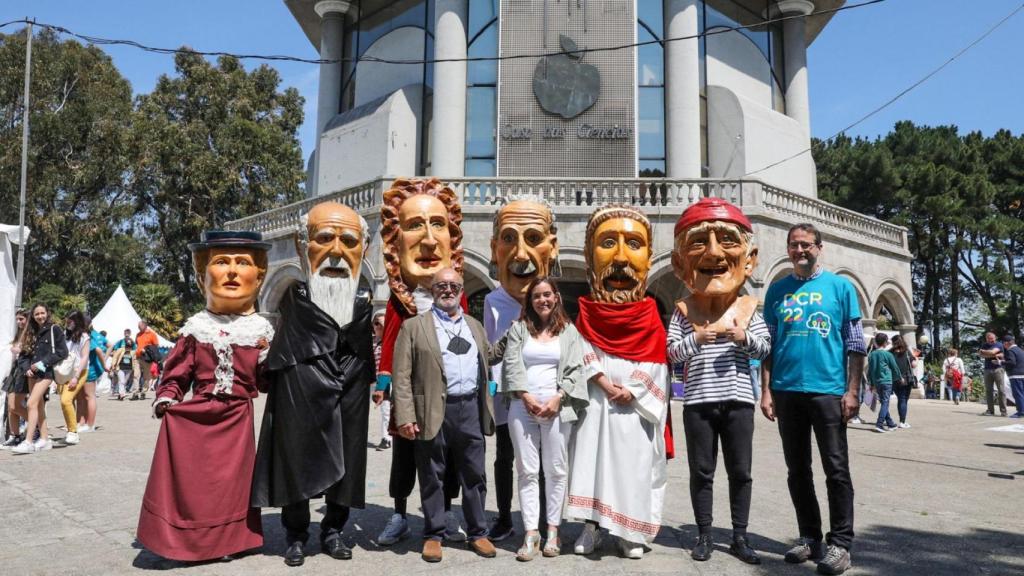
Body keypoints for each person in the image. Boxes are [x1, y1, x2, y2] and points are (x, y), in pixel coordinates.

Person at [137, 230, 274, 562]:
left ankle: (229, 542)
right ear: (202, 277)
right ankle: (191, 539)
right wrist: (167, 397)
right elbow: (177, 373)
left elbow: (267, 383)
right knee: (198, 483)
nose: (231, 272)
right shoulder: (196, 327)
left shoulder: (260, 331)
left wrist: (270, 356)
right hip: (199, 415)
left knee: (231, 486)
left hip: (237, 418)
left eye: (242, 263)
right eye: (221, 262)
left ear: (258, 277)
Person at [251, 202, 376, 566]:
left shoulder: (364, 306)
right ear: (303, 244)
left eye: (349, 242)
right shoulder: (294, 301)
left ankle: (334, 530)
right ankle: (296, 534)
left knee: (349, 455)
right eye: (324, 238)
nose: (337, 252)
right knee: (295, 454)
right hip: (299, 384)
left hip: (352, 384)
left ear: (363, 250)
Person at [667, 198, 770, 565]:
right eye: (699, 242)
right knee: (702, 471)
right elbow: (671, 354)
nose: (713, 252)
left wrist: (744, 338)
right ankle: (705, 535)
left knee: (741, 471)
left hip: (738, 400)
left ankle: (740, 536)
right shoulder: (683, 311)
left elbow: (764, 348)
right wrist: (697, 339)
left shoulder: (749, 309)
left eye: (726, 239)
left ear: (749, 257)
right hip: (698, 402)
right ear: (680, 264)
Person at [760, 223, 866, 575]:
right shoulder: (777, 291)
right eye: (794, 245)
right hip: (787, 391)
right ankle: (809, 537)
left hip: (828, 391)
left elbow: (855, 344)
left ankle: (840, 544)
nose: (799, 250)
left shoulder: (840, 287)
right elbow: (768, 346)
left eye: (806, 244)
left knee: (836, 469)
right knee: (797, 470)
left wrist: (852, 391)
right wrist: (766, 391)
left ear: (819, 248)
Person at [566, 206, 668, 560]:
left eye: (633, 245)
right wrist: (606, 384)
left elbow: (656, 361)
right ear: (589, 257)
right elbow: (580, 351)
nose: (621, 258)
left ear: (649, 258)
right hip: (597, 401)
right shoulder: (586, 314)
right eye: (608, 243)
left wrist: (632, 390)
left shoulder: (652, 317)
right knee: (591, 463)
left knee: (632, 468)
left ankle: (630, 533)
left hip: (633, 410)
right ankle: (591, 528)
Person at [374, 178, 466, 546]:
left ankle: (444, 514)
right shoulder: (400, 302)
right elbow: (389, 346)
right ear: (395, 243)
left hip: (449, 395)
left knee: (448, 456)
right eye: (415, 226)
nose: (428, 240)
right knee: (404, 456)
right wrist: (383, 384)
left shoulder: (458, 300)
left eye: (438, 225)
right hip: (410, 396)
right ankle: (398, 514)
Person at [391, 267, 497, 563]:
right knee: (432, 474)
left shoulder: (474, 325)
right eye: (441, 285)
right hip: (433, 409)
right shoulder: (414, 326)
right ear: (432, 290)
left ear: (462, 291)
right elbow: (401, 376)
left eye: (453, 285)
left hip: (470, 409)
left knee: (474, 474)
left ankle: (478, 532)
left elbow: (488, 358)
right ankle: (433, 534)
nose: (448, 290)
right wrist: (405, 416)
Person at [483, 197, 561, 542]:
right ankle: (503, 516)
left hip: (544, 392)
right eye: (509, 239)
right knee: (505, 456)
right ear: (494, 247)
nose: (520, 255)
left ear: (552, 247)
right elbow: (490, 348)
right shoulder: (492, 301)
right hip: (506, 394)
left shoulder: (551, 303)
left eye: (533, 238)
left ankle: (545, 517)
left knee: (543, 459)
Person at [499, 277, 587, 561]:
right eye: (537, 296)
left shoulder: (569, 332)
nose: (543, 300)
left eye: (547, 294)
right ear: (530, 301)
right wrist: (525, 396)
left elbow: (576, 369)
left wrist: (557, 398)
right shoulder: (519, 329)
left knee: (556, 471)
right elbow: (512, 364)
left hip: (557, 407)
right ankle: (530, 533)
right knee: (526, 471)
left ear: (556, 296)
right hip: (522, 407)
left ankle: (553, 530)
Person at [12, 303, 68, 454]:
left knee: (31, 403)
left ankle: (29, 441)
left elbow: (63, 352)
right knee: (39, 406)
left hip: (46, 373)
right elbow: (24, 354)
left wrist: (43, 363)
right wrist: (26, 369)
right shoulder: (31, 331)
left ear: (47, 313)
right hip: (32, 374)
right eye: (37, 314)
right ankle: (45, 439)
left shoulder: (54, 329)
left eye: (42, 313)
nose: (40, 316)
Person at [58, 311, 90, 446]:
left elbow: (84, 357)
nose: (68, 322)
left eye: (70, 320)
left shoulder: (84, 336)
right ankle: (71, 429)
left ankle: (73, 432)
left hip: (79, 372)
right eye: (67, 320)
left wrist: (76, 377)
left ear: (77, 321)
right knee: (64, 402)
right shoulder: (65, 335)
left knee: (66, 400)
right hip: (64, 371)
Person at [1, 309, 31, 449]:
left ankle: (36, 426)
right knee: (10, 408)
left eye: (21, 319)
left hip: (24, 372)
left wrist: (22, 350)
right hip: (14, 371)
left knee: (15, 406)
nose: (19, 322)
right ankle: (15, 436)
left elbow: (34, 352)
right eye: (17, 319)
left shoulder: (31, 334)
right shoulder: (19, 334)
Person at [867, 333, 903, 433]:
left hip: (876, 381)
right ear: (884, 342)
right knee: (885, 402)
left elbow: (869, 370)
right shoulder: (888, 354)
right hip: (886, 380)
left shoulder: (872, 354)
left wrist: (870, 383)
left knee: (884, 402)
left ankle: (891, 423)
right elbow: (895, 367)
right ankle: (879, 424)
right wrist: (899, 377)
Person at [76, 321, 107, 433]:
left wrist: (104, 365)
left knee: (89, 396)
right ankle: (81, 422)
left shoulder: (88, 336)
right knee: (81, 398)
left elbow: (98, 350)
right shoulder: (81, 334)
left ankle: (90, 425)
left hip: (90, 371)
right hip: (81, 371)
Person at [372, 310, 391, 451]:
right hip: (379, 379)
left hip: (392, 379)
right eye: (376, 323)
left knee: (389, 410)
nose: (378, 326)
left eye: (382, 323)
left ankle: (388, 437)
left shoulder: (391, 341)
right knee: (385, 410)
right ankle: (386, 437)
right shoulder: (371, 342)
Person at [979, 332, 1007, 416]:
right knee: (988, 391)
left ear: (995, 338)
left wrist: (985, 352)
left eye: (992, 338)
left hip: (998, 369)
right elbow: (980, 355)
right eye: (989, 339)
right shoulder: (984, 345)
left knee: (1001, 390)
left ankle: (1003, 411)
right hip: (987, 369)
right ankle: (990, 410)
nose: (991, 340)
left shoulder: (999, 344)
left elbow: (992, 352)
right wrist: (993, 354)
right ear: (986, 339)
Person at [890, 335, 915, 428]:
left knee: (900, 399)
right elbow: (914, 365)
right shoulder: (907, 352)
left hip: (894, 379)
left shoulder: (890, 353)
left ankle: (901, 420)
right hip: (906, 379)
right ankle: (902, 421)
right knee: (903, 399)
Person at [134, 320, 158, 401]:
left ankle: (143, 392)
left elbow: (156, 346)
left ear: (145, 326)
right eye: (138, 326)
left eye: (139, 326)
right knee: (135, 375)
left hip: (147, 358)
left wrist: (147, 349)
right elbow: (137, 344)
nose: (138, 327)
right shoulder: (138, 334)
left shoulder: (152, 334)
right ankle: (135, 393)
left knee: (146, 376)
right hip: (137, 357)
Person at [110, 329, 137, 401]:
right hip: (120, 368)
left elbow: (134, 359)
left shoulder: (133, 350)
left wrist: (134, 368)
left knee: (124, 382)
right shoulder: (120, 345)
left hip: (129, 368)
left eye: (130, 344)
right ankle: (122, 394)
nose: (129, 344)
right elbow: (115, 356)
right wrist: (113, 366)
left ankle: (120, 394)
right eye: (127, 344)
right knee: (121, 381)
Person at [1002, 335, 1024, 418]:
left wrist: (1001, 362)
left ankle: (1021, 412)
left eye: (1004, 343)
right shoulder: (1020, 350)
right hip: (1022, 374)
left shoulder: (1010, 351)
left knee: (1018, 394)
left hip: (1015, 375)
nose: (1004, 345)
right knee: (1022, 393)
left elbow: (1012, 362)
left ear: (1007, 343)